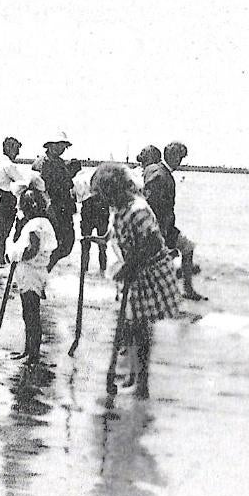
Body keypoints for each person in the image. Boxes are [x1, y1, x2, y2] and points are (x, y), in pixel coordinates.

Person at [91, 162, 182, 399]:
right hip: (134, 270)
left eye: (104, 194)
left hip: (148, 272)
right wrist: (100, 239)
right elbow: (115, 231)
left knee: (140, 329)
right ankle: (132, 375)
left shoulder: (138, 209)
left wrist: (131, 266)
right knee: (129, 326)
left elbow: (153, 242)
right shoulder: (119, 208)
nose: (103, 200)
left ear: (115, 189)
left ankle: (142, 383)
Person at [143, 141, 204, 301]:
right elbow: (152, 205)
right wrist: (160, 233)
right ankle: (182, 290)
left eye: (181, 158)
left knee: (187, 248)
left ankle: (183, 289)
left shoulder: (153, 169)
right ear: (170, 156)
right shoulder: (162, 175)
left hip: (162, 226)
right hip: (159, 227)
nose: (179, 162)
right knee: (179, 252)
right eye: (178, 157)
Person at [5, 188, 58, 363]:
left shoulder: (35, 225)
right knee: (30, 313)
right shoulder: (45, 222)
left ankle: (33, 353)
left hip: (30, 274)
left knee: (31, 314)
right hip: (37, 272)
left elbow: (33, 249)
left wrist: (17, 256)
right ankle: (29, 350)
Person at [32, 131, 77, 272]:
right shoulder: (42, 163)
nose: (60, 148)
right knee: (47, 245)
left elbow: (68, 184)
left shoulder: (61, 163)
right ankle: (39, 274)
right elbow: (38, 187)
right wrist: (48, 205)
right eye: (57, 145)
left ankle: (45, 270)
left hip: (64, 209)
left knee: (67, 245)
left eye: (63, 145)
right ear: (49, 145)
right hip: (48, 210)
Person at [0, 136, 25, 265]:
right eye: (16, 149)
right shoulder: (8, 165)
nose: (18, 153)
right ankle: (0, 261)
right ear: (9, 148)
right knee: (4, 233)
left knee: (0, 231)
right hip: (6, 199)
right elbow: (21, 181)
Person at [74, 165, 110, 274]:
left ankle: (84, 271)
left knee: (86, 243)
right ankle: (102, 270)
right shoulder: (105, 185)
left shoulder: (83, 182)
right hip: (101, 212)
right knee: (102, 244)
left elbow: (78, 196)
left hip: (88, 212)